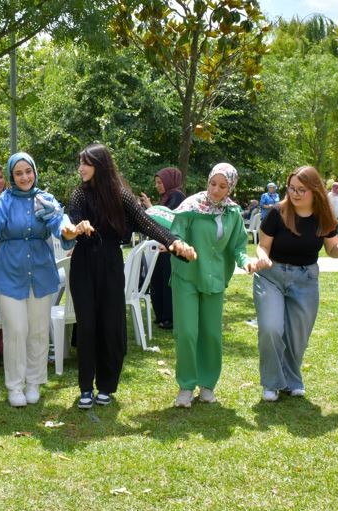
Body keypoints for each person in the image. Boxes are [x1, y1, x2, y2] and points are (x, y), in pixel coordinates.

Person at [67, 145, 196, 409]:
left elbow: (147, 223)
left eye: (86, 163)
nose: (81, 168)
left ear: (100, 166)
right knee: (87, 325)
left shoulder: (120, 195)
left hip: (111, 263)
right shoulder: (79, 194)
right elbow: (72, 220)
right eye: (80, 163)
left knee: (111, 324)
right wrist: (77, 227)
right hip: (83, 264)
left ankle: (106, 386)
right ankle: (84, 387)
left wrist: (173, 243)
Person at [0, 152, 87, 407]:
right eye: (19, 173)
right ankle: (15, 386)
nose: (24, 177)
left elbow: (59, 222)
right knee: (16, 330)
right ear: (12, 176)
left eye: (28, 171)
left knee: (37, 331)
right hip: (10, 273)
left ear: (34, 172)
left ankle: (34, 382)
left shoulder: (45, 199)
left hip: (42, 273)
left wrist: (67, 230)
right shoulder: (3, 201)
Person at [249, 165, 338, 401]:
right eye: (291, 189)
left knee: (297, 336)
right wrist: (263, 258)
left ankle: (291, 380)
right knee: (271, 328)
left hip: (306, 279)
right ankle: (271, 382)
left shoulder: (324, 217)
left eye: (301, 190)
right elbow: (262, 245)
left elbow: (333, 250)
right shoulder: (277, 213)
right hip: (272, 276)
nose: (295, 194)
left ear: (315, 191)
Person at [167, 164, 249, 407]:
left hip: (214, 280)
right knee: (187, 333)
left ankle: (207, 385)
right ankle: (185, 386)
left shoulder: (233, 213)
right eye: (213, 183)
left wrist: (247, 262)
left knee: (211, 335)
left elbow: (238, 246)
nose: (215, 190)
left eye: (222, 186)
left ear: (230, 188)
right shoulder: (191, 207)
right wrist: (181, 246)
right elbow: (175, 234)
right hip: (187, 277)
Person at [138, 166, 186, 330]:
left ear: (169, 181)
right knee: (157, 280)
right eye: (156, 183)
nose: (157, 186)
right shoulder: (166, 197)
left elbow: (168, 219)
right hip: (161, 245)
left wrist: (150, 207)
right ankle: (161, 316)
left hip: (169, 246)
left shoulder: (177, 196)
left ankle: (169, 318)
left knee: (166, 281)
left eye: (160, 182)